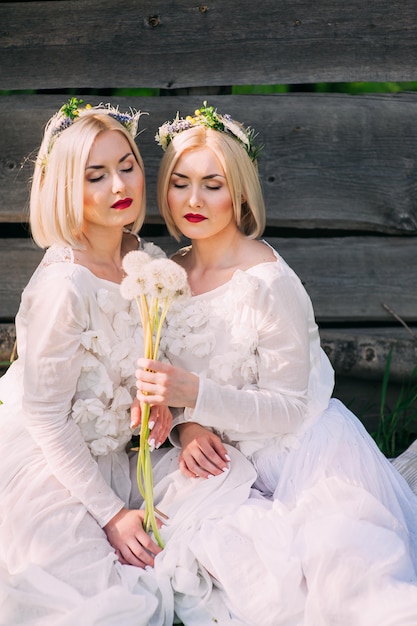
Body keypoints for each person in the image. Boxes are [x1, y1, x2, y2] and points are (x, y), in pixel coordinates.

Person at [135, 102, 417, 625]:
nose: (193, 200)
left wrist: (195, 397)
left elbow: (290, 408)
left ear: (239, 192)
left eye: (212, 184)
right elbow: (167, 385)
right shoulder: (163, 275)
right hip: (219, 458)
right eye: (180, 182)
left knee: (342, 569)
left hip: (295, 451)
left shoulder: (269, 283)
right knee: (235, 567)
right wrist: (188, 427)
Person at [0, 99, 178, 625]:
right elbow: (46, 416)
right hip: (51, 459)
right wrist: (112, 515)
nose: (120, 186)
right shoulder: (65, 284)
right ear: (66, 190)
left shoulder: (143, 261)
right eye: (96, 175)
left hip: (118, 456)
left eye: (127, 167)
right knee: (91, 598)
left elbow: (141, 359)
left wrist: (157, 406)